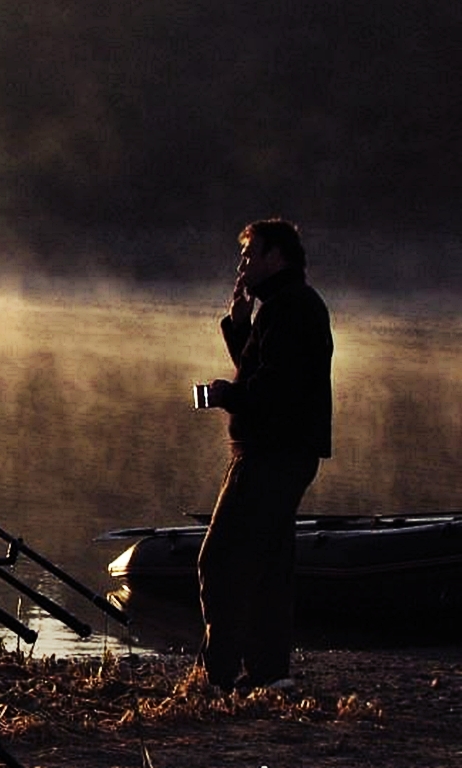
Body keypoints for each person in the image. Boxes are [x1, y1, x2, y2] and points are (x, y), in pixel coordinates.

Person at [196, 218, 333, 691]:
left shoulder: (291, 309)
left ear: (276, 257)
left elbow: (271, 391)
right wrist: (238, 328)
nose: (242, 265)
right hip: (285, 452)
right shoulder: (285, 306)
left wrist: (222, 395)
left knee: (220, 560)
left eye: (250, 255)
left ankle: (219, 674)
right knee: (270, 564)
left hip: (271, 453)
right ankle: (269, 673)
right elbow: (262, 369)